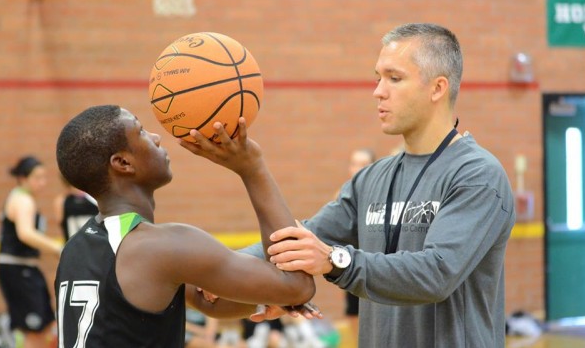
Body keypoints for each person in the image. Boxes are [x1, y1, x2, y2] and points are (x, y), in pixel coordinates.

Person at [243, 23, 517, 347]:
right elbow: (301, 238)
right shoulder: (370, 179)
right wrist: (217, 269)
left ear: (437, 88)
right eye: (378, 77)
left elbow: (436, 274)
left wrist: (335, 260)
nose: (378, 91)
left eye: (394, 78)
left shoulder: (478, 175)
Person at [54, 105, 317, 347]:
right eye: (142, 131)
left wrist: (274, 297)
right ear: (123, 163)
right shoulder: (158, 247)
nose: (156, 137)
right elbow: (297, 286)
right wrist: (252, 167)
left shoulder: (75, 247)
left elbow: (210, 302)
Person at [0, 156, 63, 348]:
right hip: (18, 269)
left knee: (44, 327)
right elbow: (25, 233)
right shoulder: (23, 200)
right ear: (23, 178)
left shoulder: (23, 198)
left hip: (25, 269)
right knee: (35, 332)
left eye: (44, 177)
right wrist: (57, 247)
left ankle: (9, 327)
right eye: (37, 177)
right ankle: (6, 328)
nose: (42, 182)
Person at [337, 148, 376, 342]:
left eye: (364, 164)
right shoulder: (342, 196)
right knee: (353, 312)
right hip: (351, 266)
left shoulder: (379, 195)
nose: (358, 169)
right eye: (354, 163)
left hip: (374, 266)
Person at [53, 175, 99, 241]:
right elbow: (62, 227)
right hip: (74, 247)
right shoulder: (61, 201)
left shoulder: (95, 199)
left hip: (96, 246)